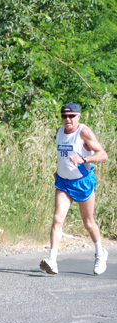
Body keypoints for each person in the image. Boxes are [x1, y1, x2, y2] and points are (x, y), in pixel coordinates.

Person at [39, 103, 109, 275]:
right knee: (57, 219)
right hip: (63, 182)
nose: (67, 119)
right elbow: (62, 154)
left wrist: (84, 160)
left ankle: (100, 253)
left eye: (71, 116)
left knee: (88, 222)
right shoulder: (59, 132)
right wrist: (60, 169)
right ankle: (52, 261)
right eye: (64, 116)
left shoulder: (84, 132)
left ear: (79, 117)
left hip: (82, 182)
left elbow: (103, 155)